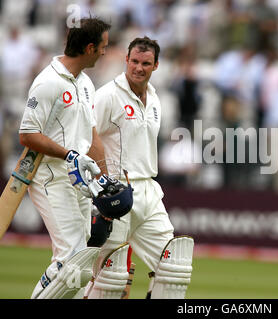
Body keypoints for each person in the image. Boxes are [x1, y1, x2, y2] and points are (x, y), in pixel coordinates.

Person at [84, 36, 194, 299]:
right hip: (116, 192)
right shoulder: (108, 96)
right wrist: (101, 182)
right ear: (126, 60)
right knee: (109, 278)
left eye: (145, 63)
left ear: (156, 65)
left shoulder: (157, 99)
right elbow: (85, 135)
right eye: (134, 61)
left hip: (149, 192)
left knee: (173, 267)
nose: (138, 68)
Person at [18, 17, 111, 299]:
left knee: (80, 267)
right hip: (50, 178)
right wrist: (68, 153)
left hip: (78, 182)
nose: (106, 52)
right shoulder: (48, 82)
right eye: (104, 46)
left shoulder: (85, 83)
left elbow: (91, 135)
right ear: (90, 47)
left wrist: (104, 178)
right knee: (71, 261)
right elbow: (27, 134)